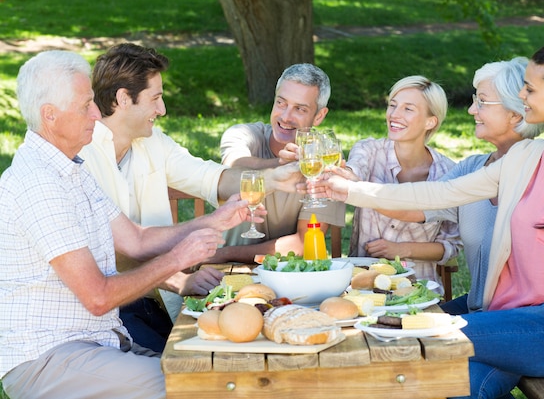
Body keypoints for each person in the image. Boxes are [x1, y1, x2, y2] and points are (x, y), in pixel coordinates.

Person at [318, 43, 544, 396]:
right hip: (501, 320)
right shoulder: (526, 156)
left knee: (419, 330)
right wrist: (350, 192)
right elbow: (440, 194)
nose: (522, 96)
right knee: (457, 388)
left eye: (530, 88)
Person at [0, 50, 253, 399]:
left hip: (96, 343)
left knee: (209, 370)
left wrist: (214, 220)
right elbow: (98, 297)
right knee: (198, 386)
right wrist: (178, 260)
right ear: (50, 116)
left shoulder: (71, 171)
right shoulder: (40, 185)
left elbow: (137, 239)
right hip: (48, 357)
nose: (96, 113)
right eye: (86, 105)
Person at [78, 43, 295, 350]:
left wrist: (273, 178)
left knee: (218, 351)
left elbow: (213, 178)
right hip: (103, 314)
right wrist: (180, 278)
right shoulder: (81, 156)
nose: (162, 110)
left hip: (151, 301)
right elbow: (121, 251)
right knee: (182, 370)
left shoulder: (152, 143)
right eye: (155, 98)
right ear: (123, 99)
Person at [427, 57, 544, 314]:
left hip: (526, 318)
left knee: (430, 342)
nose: (471, 110)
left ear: (515, 114)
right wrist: (355, 188)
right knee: (405, 326)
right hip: (480, 307)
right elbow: (419, 206)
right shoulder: (472, 167)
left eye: (481, 101)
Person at [212, 63, 345, 263]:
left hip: (289, 277)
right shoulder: (242, 135)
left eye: (299, 109)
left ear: (319, 116)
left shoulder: (324, 159)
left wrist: (222, 254)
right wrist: (279, 163)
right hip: (226, 272)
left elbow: (303, 242)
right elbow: (234, 167)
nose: (285, 116)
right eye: (281, 103)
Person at [344, 75, 462, 287]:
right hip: (362, 286)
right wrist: (345, 176)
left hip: (420, 288)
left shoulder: (449, 173)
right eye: (392, 105)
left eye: (408, 109)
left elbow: (450, 246)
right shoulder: (369, 151)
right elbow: (353, 173)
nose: (394, 115)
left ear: (430, 121)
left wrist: (400, 249)